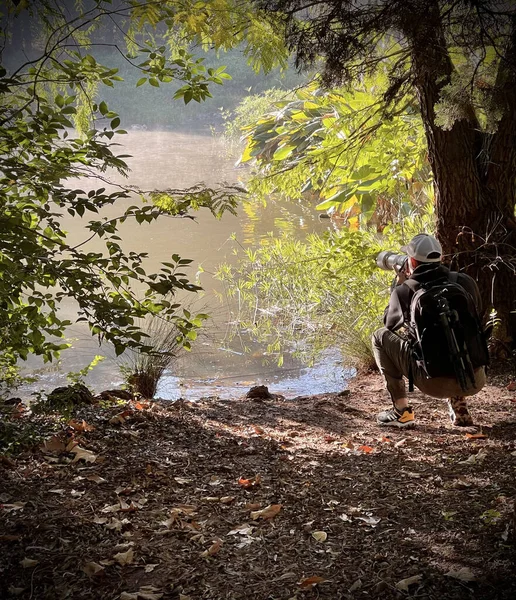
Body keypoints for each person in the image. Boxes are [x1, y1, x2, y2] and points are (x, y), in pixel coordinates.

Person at [372, 233, 486, 428]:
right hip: (475, 378)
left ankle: (401, 412)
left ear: (412, 261)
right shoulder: (464, 281)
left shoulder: (405, 290)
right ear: (440, 258)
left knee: (379, 336)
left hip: (433, 384)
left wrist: (399, 285)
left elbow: (388, 324)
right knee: (452, 331)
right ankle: (459, 405)